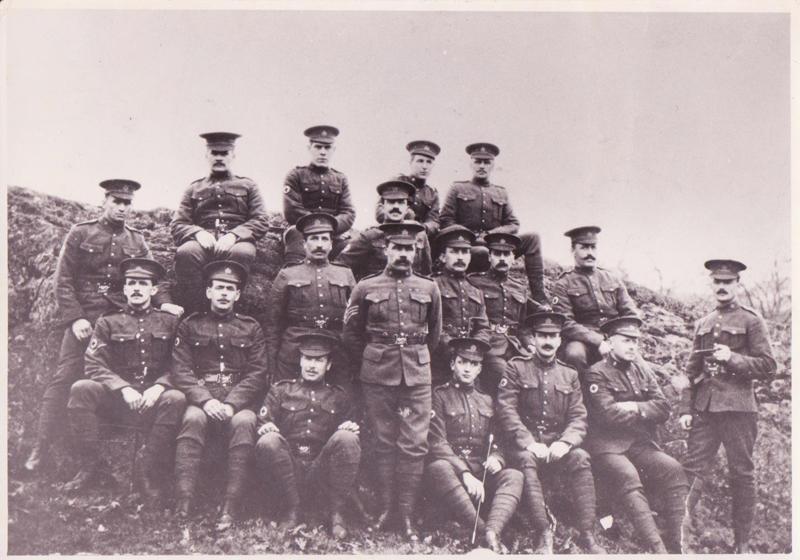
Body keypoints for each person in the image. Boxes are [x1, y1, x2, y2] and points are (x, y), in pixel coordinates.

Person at [25, 179, 180, 474]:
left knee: (118, 377)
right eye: (116, 202)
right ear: (105, 201)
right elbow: (64, 279)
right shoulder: (81, 232)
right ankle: (40, 448)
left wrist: (166, 302)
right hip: (85, 319)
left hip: (118, 321)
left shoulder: (137, 241)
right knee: (64, 379)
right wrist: (75, 318)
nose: (122, 208)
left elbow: (151, 280)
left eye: (127, 203)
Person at [342, 221, 442, 540]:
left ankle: (407, 514)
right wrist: (374, 357)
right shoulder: (365, 287)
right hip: (377, 372)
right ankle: (387, 509)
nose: (402, 254)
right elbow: (351, 333)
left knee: (414, 443)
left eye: (408, 248)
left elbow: (435, 334)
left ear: (416, 251)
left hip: (416, 372)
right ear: (386, 250)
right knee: (384, 441)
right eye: (397, 248)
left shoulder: (429, 288)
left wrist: (415, 357)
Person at [64, 258, 186, 503]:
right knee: (81, 389)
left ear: (153, 290)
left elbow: (181, 364)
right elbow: (94, 363)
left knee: (176, 398)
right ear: (125, 289)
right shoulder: (107, 322)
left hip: (154, 400)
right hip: (118, 401)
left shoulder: (170, 322)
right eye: (131, 283)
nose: (137, 288)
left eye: (143, 283)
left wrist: (160, 386)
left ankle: (147, 470)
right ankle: (91, 466)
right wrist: (123, 388)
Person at [678, 259, 776, 553]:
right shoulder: (703, 323)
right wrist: (685, 408)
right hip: (706, 408)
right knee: (692, 469)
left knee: (742, 473)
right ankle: (679, 536)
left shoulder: (751, 321)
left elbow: (769, 366)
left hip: (739, 409)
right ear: (712, 284)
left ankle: (742, 544)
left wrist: (731, 358)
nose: (721, 287)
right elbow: (691, 370)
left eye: (727, 282)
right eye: (717, 282)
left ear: (737, 284)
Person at [496, 311, 605, 554]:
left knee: (581, 458)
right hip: (525, 446)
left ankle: (587, 533)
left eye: (553, 336)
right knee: (525, 461)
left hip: (556, 445)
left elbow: (578, 417)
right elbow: (506, 411)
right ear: (533, 338)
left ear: (559, 341)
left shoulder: (570, 374)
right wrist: (528, 442)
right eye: (542, 335)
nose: (547, 341)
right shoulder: (516, 368)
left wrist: (565, 443)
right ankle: (543, 532)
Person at [170, 261, 268, 531]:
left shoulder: (251, 328)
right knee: (192, 419)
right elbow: (181, 369)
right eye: (219, 288)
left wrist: (232, 403)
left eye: (230, 289)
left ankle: (231, 505)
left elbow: (258, 373)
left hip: (239, 400)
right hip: (203, 398)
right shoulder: (190, 325)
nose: (224, 293)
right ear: (208, 292)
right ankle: (184, 502)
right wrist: (206, 400)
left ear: (238, 295)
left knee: (245, 423)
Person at [583, 316, 687, 553]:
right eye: (626, 340)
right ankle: (657, 548)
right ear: (610, 343)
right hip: (607, 446)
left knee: (674, 470)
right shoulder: (596, 374)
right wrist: (644, 411)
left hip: (639, 444)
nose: (632, 346)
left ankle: (678, 542)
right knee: (628, 475)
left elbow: (663, 408)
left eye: (635, 342)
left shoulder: (641, 370)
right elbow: (607, 415)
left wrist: (634, 407)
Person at [254, 331, 360, 539]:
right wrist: (266, 428)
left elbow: (349, 435)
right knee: (268, 440)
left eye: (319, 360)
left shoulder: (339, 396)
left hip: (320, 470)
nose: (312, 365)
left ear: (328, 365)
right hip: (289, 467)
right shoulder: (281, 391)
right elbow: (263, 421)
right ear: (300, 361)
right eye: (308, 359)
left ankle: (336, 513)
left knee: (348, 437)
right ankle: (292, 509)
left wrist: (349, 428)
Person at [425, 336, 523, 553]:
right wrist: (464, 473)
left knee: (514, 476)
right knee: (438, 467)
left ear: (480, 369)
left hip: (481, 472)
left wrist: (496, 458)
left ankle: (492, 532)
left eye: (474, 364)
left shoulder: (487, 400)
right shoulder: (438, 396)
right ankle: (480, 530)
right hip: (452, 474)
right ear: (452, 364)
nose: (467, 369)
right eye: (462, 362)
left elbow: (497, 439)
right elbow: (437, 442)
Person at [170, 132, 269, 311]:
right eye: (214, 153)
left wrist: (234, 235)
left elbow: (261, 219)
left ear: (233, 155)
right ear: (207, 155)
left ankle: (232, 312)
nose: (219, 158)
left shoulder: (248, 186)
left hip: (237, 241)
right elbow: (178, 224)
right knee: (186, 252)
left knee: (242, 254)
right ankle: (197, 311)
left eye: (224, 153)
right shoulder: (194, 188)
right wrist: (197, 233)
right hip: (202, 241)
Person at [439, 143, 546, 303]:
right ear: (471, 163)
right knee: (481, 251)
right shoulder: (458, 188)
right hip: (468, 246)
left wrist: (490, 236)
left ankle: (539, 296)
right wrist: (471, 238)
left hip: (496, 246)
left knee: (533, 238)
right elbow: (446, 220)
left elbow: (513, 224)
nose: (482, 166)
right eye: (478, 161)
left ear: (493, 165)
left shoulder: (500, 192)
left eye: (486, 162)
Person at [263, 212, 356, 384]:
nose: (319, 244)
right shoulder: (287, 274)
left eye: (324, 239)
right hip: (294, 349)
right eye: (313, 238)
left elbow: (354, 321)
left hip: (335, 348)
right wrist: (271, 362)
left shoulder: (345, 274)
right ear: (304, 244)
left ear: (331, 244)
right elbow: (273, 323)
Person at [551, 226, 638, 377]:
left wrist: (619, 339)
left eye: (593, 247)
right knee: (574, 355)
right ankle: (581, 398)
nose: (590, 253)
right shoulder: (563, 283)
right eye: (584, 248)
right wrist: (598, 341)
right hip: (582, 339)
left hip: (615, 335)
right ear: (573, 250)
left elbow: (630, 313)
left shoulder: (612, 278)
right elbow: (565, 323)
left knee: (640, 366)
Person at [467, 232, 537, 397]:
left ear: (513, 258)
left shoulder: (519, 287)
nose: (502, 258)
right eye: (497, 254)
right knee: (506, 374)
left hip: (516, 345)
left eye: (506, 254)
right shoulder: (475, 282)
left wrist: (530, 345)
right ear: (490, 257)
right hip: (490, 346)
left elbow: (523, 327)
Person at [282, 125, 356, 265]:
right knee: (295, 235)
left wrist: (332, 228)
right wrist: (322, 228)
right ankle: (292, 274)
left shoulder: (340, 178)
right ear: (309, 148)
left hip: (334, 233)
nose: (323, 152)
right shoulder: (296, 175)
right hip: (303, 230)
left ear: (333, 150)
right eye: (318, 147)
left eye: (327, 148)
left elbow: (348, 212)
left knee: (354, 246)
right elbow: (292, 210)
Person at [335, 180, 432, 280]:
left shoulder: (419, 234)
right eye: (391, 202)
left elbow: (426, 272)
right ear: (382, 207)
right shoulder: (369, 236)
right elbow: (340, 268)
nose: (396, 207)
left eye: (401, 202)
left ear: (407, 208)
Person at [431, 225, 489, 385]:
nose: (460, 257)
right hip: (439, 362)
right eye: (454, 251)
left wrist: (474, 350)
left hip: (468, 362)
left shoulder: (476, 290)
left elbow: (483, 327)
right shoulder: (433, 285)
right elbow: (431, 325)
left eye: (465, 252)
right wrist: (454, 351)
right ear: (442, 257)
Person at [375, 140, 441, 237]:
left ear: (433, 165)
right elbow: (379, 212)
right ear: (410, 162)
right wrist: (407, 217)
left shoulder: (432, 193)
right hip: (393, 233)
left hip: (419, 236)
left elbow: (434, 222)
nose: (424, 167)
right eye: (420, 161)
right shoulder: (397, 182)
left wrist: (421, 228)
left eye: (429, 162)